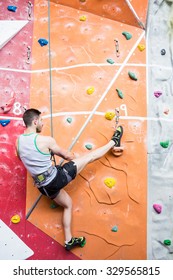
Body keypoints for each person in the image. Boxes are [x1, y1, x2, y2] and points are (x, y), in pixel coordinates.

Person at [16, 108, 124, 251]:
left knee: (68, 204)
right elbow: (67, 156)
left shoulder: (18, 142)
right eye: (41, 121)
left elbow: (23, 159)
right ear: (35, 122)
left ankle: (69, 240)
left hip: (43, 187)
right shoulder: (45, 140)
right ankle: (114, 141)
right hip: (56, 179)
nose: (42, 124)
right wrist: (77, 159)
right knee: (89, 157)